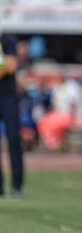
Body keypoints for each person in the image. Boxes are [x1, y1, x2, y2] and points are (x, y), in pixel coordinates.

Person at [0, 31, 25, 198]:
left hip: (8, 97)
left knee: (14, 140)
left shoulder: (7, 39)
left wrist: (5, 67)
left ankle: (17, 186)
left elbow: (11, 65)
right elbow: (6, 66)